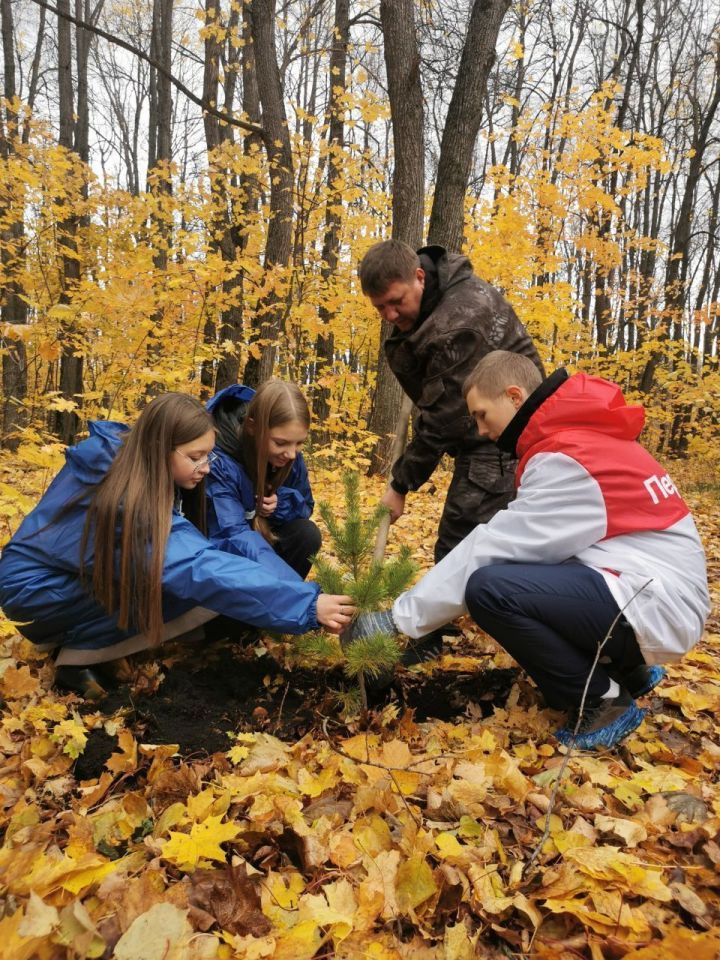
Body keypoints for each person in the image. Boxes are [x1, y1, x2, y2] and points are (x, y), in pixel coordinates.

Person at [345, 351, 710, 750]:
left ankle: (603, 700)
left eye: (482, 414)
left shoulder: (568, 459)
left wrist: (397, 620)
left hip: (655, 601)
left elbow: (496, 546)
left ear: (515, 397)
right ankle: (632, 672)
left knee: (490, 589)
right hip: (654, 588)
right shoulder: (581, 438)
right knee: (533, 574)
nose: (481, 430)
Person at [0, 393, 355, 699]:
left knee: (193, 577)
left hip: (58, 581)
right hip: (36, 593)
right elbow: (195, 565)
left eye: (209, 457)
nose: (205, 468)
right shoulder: (128, 498)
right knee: (187, 584)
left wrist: (301, 593)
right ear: (161, 447)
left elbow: (221, 547)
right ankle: (80, 653)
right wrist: (307, 605)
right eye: (195, 457)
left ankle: (92, 647)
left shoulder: (134, 464)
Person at [359, 240, 544, 564]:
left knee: (456, 552)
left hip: (506, 439)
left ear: (419, 276)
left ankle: (470, 611)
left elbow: (445, 418)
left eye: (396, 302)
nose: (389, 315)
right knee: (473, 550)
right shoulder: (434, 302)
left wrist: (400, 486)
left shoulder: (459, 322)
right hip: (484, 432)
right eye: (379, 308)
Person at [206, 380, 320, 580]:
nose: (292, 454)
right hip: (226, 553)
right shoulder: (219, 459)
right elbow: (232, 535)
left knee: (306, 534)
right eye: (280, 442)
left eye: (300, 443)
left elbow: (306, 505)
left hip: (265, 540)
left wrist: (280, 503)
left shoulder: (288, 455)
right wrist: (295, 590)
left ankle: (276, 600)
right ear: (252, 428)